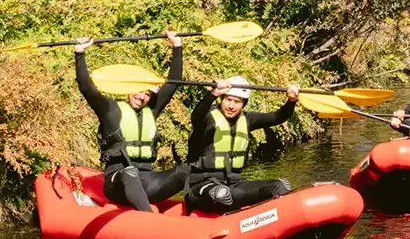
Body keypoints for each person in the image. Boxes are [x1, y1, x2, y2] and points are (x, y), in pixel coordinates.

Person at [74, 34, 187, 212]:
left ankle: (202, 215)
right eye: (138, 91)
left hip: (148, 181)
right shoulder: (110, 110)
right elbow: (86, 87)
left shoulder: (152, 110)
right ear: (127, 90)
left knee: (187, 171)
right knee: (130, 173)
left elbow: (173, 83)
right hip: (117, 182)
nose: (142, 97)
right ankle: (149, 220)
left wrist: (177, 45)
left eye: (147, 94)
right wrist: (80, 53)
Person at [184, 76, 299, 214]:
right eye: (228, 99)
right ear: (222, 98)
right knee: (221, 193)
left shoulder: (248, 119)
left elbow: (277, 117)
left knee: (280, 185)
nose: (231, 106)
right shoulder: (208, 119)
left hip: (233, 185)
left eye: (237, 101)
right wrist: (213, 94)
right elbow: (196, 116)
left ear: (244, 104)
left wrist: (292, 101)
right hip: (201, 186)